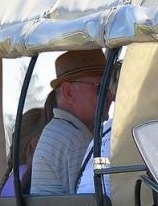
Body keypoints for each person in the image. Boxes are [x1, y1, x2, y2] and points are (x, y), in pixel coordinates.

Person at [29, 49, 111, 196]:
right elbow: (93, 202)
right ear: (68, 92)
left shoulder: (61, 131)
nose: (111, 96)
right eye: (101, 88)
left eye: (109, 87)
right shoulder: (75, 141)